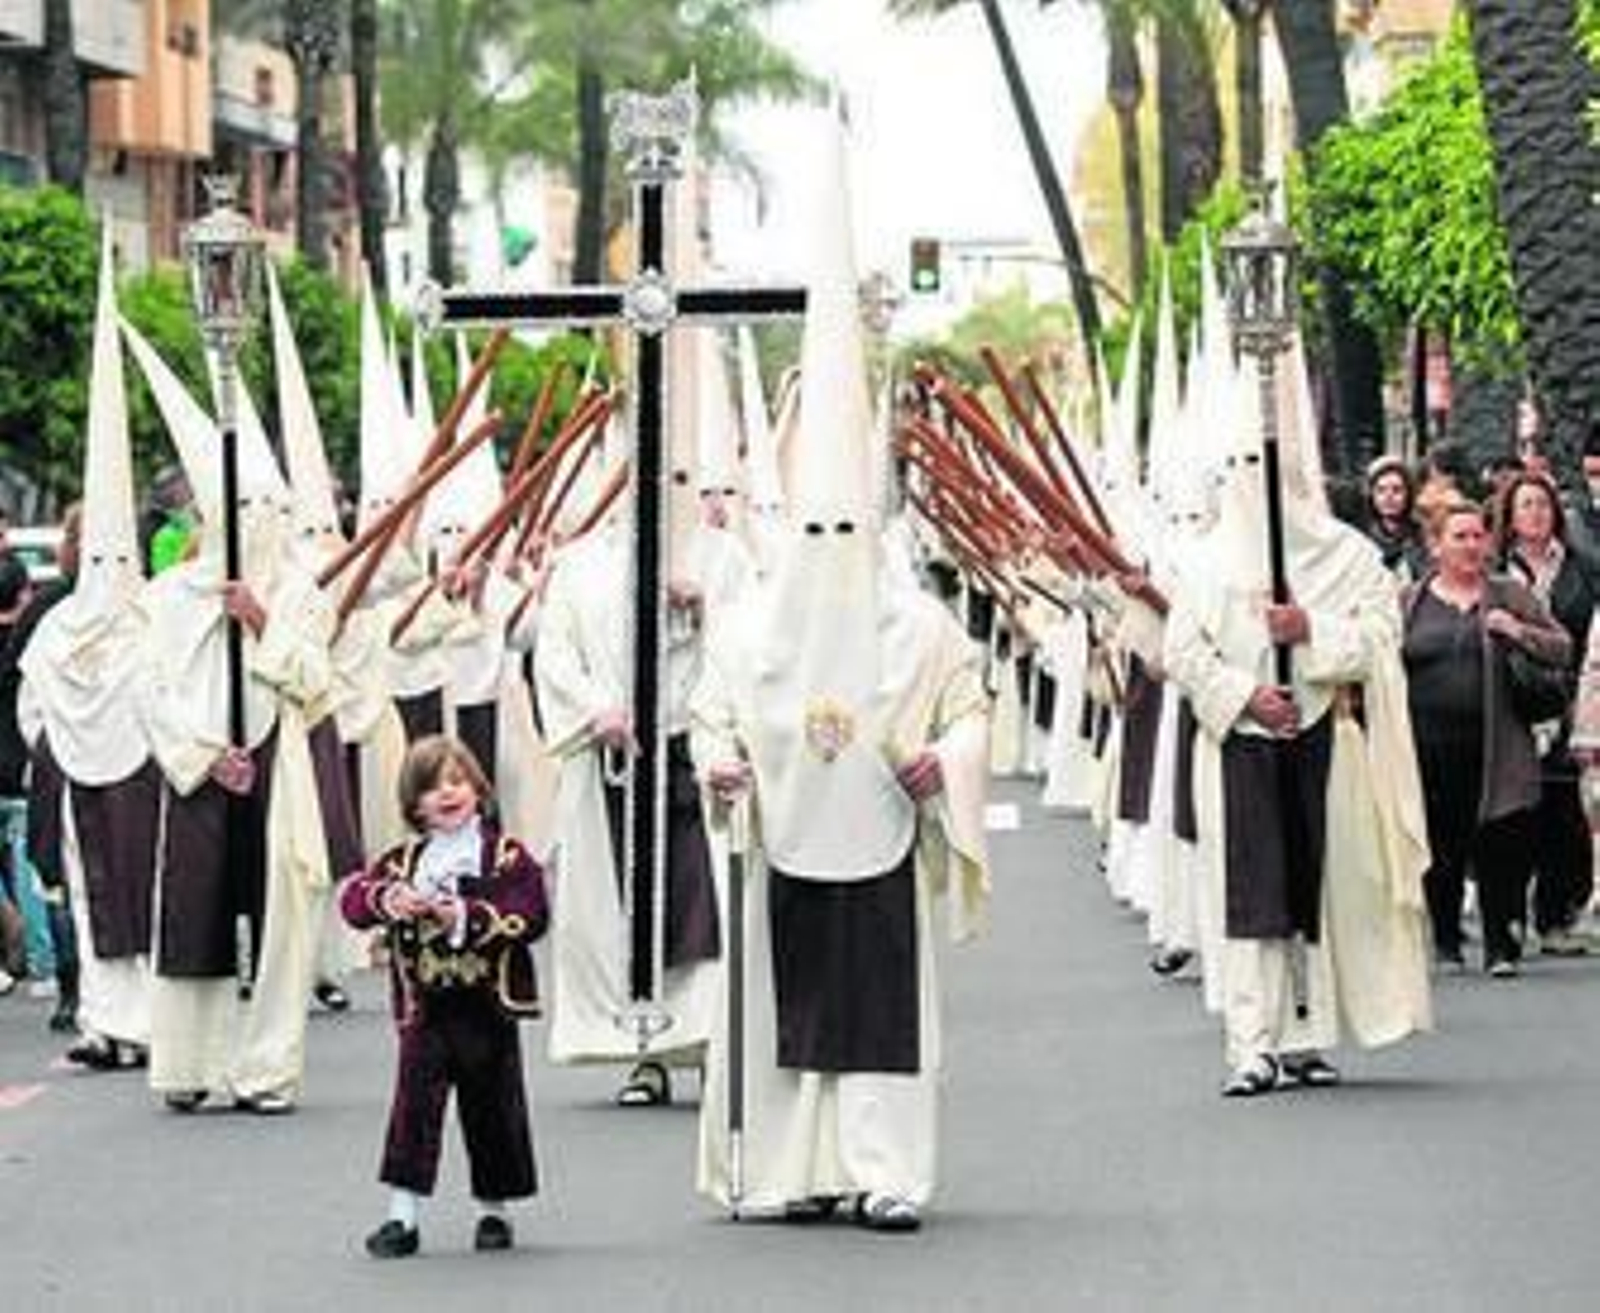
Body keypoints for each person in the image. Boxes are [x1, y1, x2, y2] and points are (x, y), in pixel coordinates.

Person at [691, 115, 991, 1231]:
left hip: (877, 841)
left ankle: (882, 1170)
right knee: (783, 1001)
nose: (822, 541)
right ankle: (782, 1164)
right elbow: (712, 718)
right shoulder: (744, 628)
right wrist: (720, 765)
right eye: (806, 522)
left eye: (840, 523)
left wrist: (939, 764)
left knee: (877, 1005)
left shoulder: (916, 624)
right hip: (780, 840)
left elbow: (970, 710)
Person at [1163, 349, 1434, 1097]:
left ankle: (1308, 1033)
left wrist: (1309, 628)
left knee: (1317, 884)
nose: (1254, 477)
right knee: (1254, 892)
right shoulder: (1204, 561)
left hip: (1324, 739)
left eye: (1266, 461)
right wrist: (1248, 694)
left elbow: (1382, 637)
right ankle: (1253, 1039)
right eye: (1242, 462)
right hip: (1244, 741)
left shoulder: (1343, 555)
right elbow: (1181, 651)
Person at [340, 735, 547, 1259]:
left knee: (493, 1109)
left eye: (456, 781)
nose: (446, 794)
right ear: (414, 805)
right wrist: (388, 899)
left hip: (486, 1006)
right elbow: (353, 900)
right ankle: (401, 1216)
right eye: (431, 788)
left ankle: (492, 1209)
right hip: (426, 1009)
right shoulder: (404, 860)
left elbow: (531, 909)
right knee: (413, 1109)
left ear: (478, 788)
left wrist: (467, 916)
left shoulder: (504, 855)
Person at [1402, 499, 1569, 976]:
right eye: (1460, 536)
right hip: (1428, 746)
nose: (1472, 545)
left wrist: (1518, 631)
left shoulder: (1508, 593)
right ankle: (1447, 941)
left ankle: (1502, 945)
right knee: (1440, 845)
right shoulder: (1410, 601)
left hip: (1498, 744)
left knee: (1501, 842)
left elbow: (1561, 647)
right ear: (1436, 546)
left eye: (1478, 536)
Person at [1496, 472, 1597, 955]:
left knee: (1564, 812)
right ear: (1510, 517)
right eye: (1525, 505)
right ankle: (1508, 914)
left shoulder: (1581, 568)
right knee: (1514, 813)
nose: (1535, 513)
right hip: (1508, 700)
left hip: (1567, 696)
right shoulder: (1495, 569)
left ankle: (1555, 916)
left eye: (1542, 504)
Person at [1362, 455, 1429, 582]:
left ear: (1408, 495)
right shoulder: (1363, 541)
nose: (1389, 496)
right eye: (1381, 490)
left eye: (1396, 490)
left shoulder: (1423, 537)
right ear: (1372, 496)